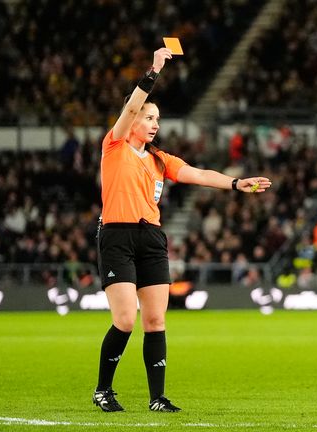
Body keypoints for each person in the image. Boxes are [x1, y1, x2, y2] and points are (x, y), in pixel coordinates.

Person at [92, 47, 271, 413]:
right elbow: (128, 109)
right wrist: (153, 73)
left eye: (157, 117)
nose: (155, 123)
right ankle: (103, 390)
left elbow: (200, 175)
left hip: (151, 238)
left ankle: (157, 398)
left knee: (155, 320)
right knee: (126, 320)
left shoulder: (160, 159)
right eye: (149, 117)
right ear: (134, 118)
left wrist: (237, 184)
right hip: (117, 236)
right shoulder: (114, 146)